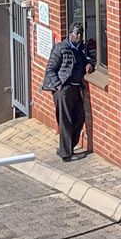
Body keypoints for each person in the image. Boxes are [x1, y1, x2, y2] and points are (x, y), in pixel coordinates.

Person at [40, 22, 93, 160]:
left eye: (81, 33)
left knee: (79, 117)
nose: (79, 36)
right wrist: (59, 86)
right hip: (63, 89)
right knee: (65, 121)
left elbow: (87, 59)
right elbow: (50, 70)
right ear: (70, 34)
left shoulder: (81, 48)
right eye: (76, 33)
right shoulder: (60, 48)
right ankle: (66, 154)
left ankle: (68, 147)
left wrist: (89, 64)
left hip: (75, 88)